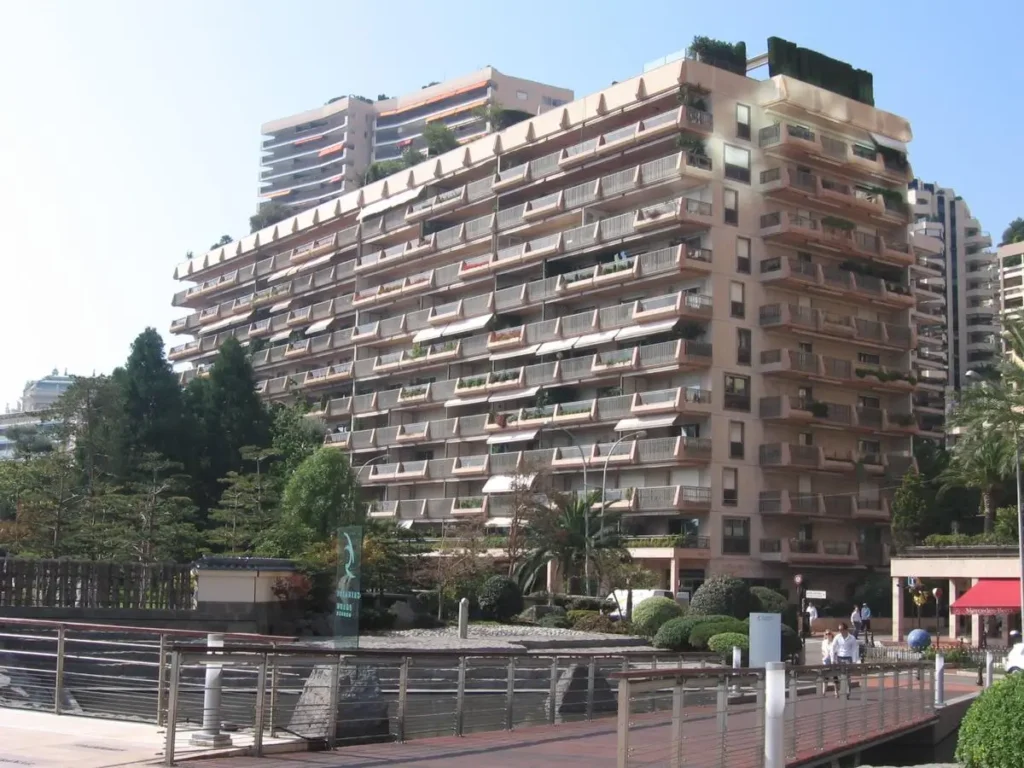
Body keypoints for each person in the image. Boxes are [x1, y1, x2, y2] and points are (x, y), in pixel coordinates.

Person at [830, 622, 860, 698]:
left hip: (848, 658)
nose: (840, 631)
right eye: (839, 629)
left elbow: (854, 650)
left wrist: (854, 661)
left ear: (846, 630)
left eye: (842, 629)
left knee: (847, 676)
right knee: (839, 676)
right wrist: (832, 659)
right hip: (839, 657)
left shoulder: (852, 638)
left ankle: (848, 691)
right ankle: (840, 690)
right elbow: (832, 648)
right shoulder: (837, 637)